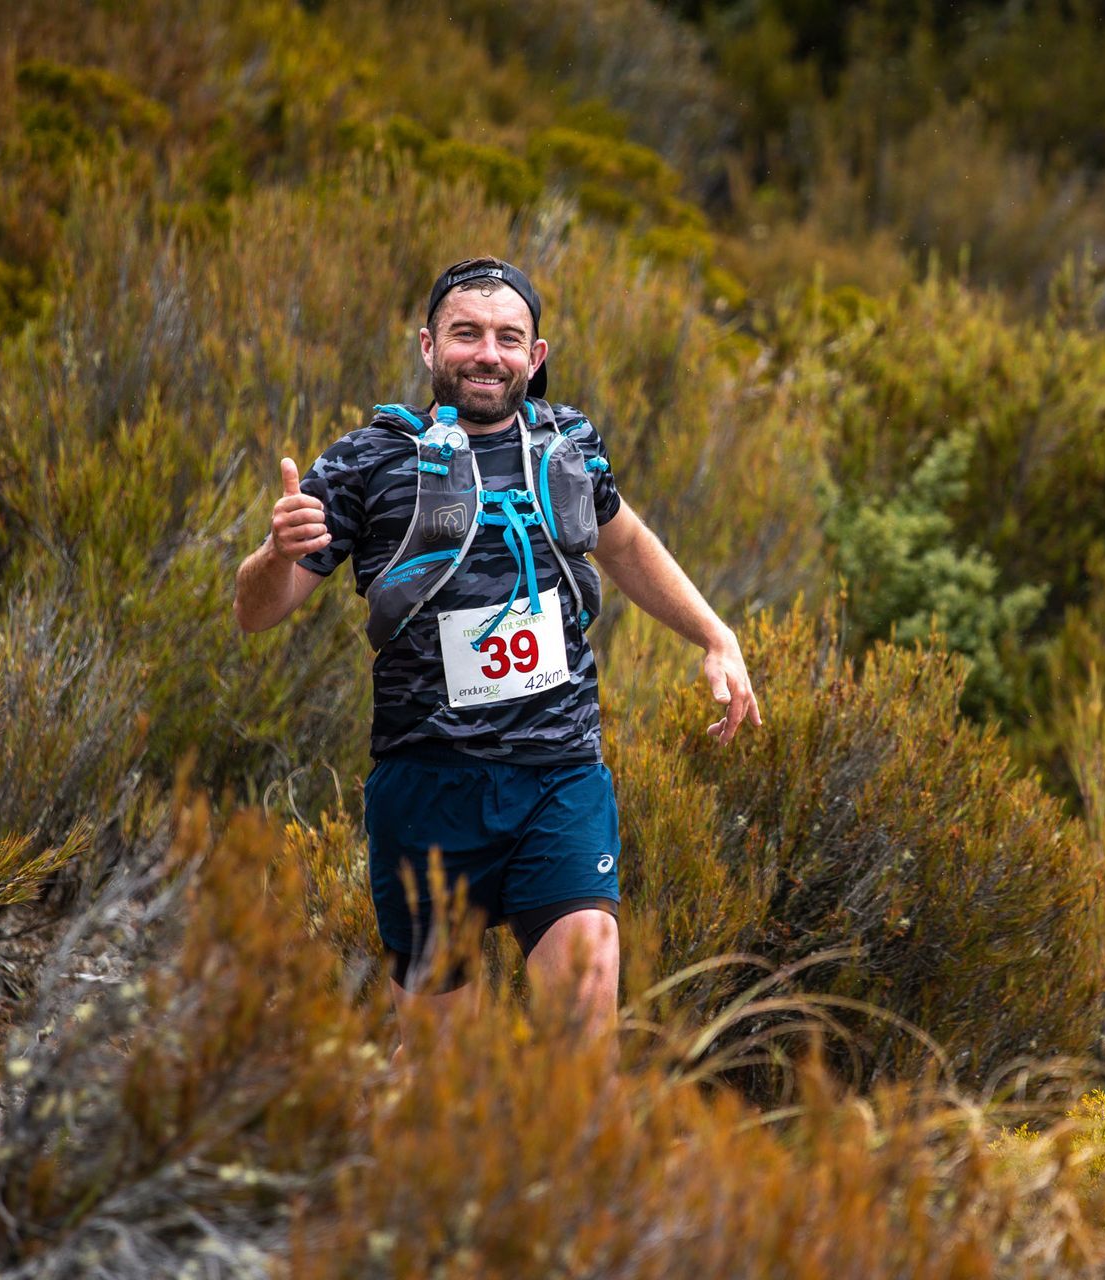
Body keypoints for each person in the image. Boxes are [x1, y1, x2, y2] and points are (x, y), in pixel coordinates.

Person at [233, 256, 760, 1039]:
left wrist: (715, 636)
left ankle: (578, 1162)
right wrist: (275, 555)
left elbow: (625, 545)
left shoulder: (568, 444)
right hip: (426, 789)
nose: (488, 354)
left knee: (584, 1011)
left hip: (559, 776)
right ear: (428, 346)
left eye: (508, 338)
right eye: (466, 334)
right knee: (444, 1075)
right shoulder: (368, 462)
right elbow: (257, 613)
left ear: (534, 356)